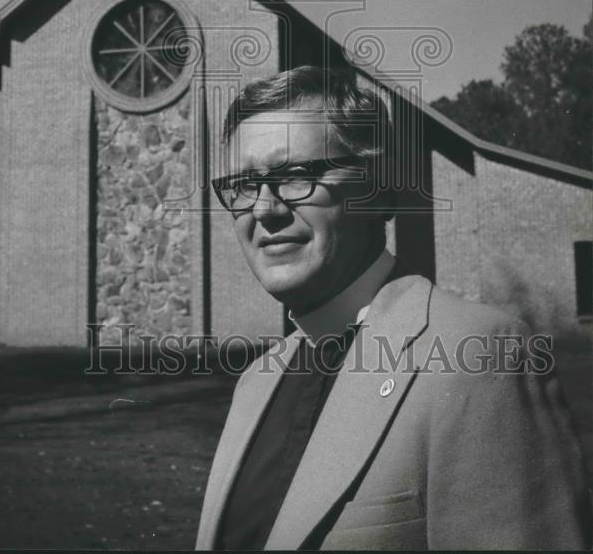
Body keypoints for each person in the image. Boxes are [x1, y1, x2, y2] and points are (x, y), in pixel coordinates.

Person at [195, 65, 591, 551]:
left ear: (379, 191)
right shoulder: (257, 382)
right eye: (244, 185)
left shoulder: (481, 357)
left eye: (296, 176)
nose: (264, 209)